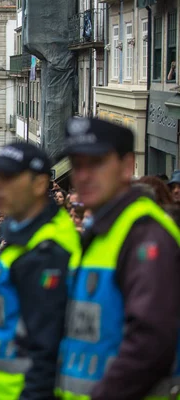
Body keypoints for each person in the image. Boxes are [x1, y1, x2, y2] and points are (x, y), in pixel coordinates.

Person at [56, 117, 180, 399]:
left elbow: (150, 343)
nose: (83, 175)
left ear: (126, 166)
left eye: (96, 164)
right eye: (77, 165)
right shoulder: (102, 231)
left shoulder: (145, 235)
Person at [0, 142, 81, 400]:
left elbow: (47, 347)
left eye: (10, 179)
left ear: (38, 184)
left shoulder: (47, 250)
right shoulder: (23, 236)